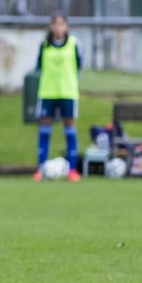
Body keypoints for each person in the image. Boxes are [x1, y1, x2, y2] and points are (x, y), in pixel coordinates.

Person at [33, 11, 82, 182]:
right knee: (45, 129)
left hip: (68, 92)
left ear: (66, 26)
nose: (58, 27)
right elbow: (38, 66)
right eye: (55, 24)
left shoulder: (74, 44)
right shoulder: (44, 44)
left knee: (69, 128)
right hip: (48, 92)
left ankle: (73, 169)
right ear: (51, 26)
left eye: (61, 24)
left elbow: (79, 66)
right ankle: (41, 168)